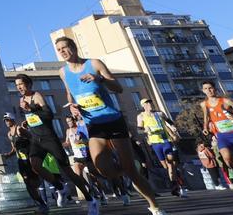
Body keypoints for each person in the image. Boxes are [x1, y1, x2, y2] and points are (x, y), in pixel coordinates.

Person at [55, 36, 166, 215]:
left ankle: (155, 206)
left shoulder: (94, 64)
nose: (62, 51)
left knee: (131, 171)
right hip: (94, 125)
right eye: (59, 49)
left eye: (65, 47)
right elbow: (70, 93)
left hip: (113, 120)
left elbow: (118, 88)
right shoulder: (63, 72)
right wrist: (73, 106)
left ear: (74, 47)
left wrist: (99, 79)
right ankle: (129, 168)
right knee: (102, 168)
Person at [14, 73, 98, 214]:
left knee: (68, 172)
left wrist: (31, 109)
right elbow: (34, 119)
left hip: (49, 139)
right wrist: (26, 124)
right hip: (36, 139)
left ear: (28, 84)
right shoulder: (22, 100)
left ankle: (91, 200)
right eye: (16, 85)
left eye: (21, 84)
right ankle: (60, 187)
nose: (19, 88)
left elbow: (49, 115)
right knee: (35, 165)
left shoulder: (37, 96)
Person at [136, 98, 184, 196]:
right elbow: (139, 130)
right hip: (155, 143)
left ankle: (175, 186)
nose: (150, 104)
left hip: (166, 141)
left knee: (170, 162)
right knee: (166, 166)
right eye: (147, 103)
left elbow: (169, 121)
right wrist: (146, 130)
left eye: (150, 102)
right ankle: (174, 181)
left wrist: (173, 127)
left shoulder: (159, 113)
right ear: (143, 105)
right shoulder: (141, 116)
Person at [2, 114, 48, 213]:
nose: (6, 122)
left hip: (29, 159)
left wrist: (31, 151)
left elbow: (33, 139)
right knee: (28, 184)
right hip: (21, 162)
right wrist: (8, 155)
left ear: (12, 119)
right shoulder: (9, 134)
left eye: (7, 120)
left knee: (34, 182)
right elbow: (14, 149)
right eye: (5, 120)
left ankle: (52, 191)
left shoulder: (19, 129)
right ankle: (42, 204)